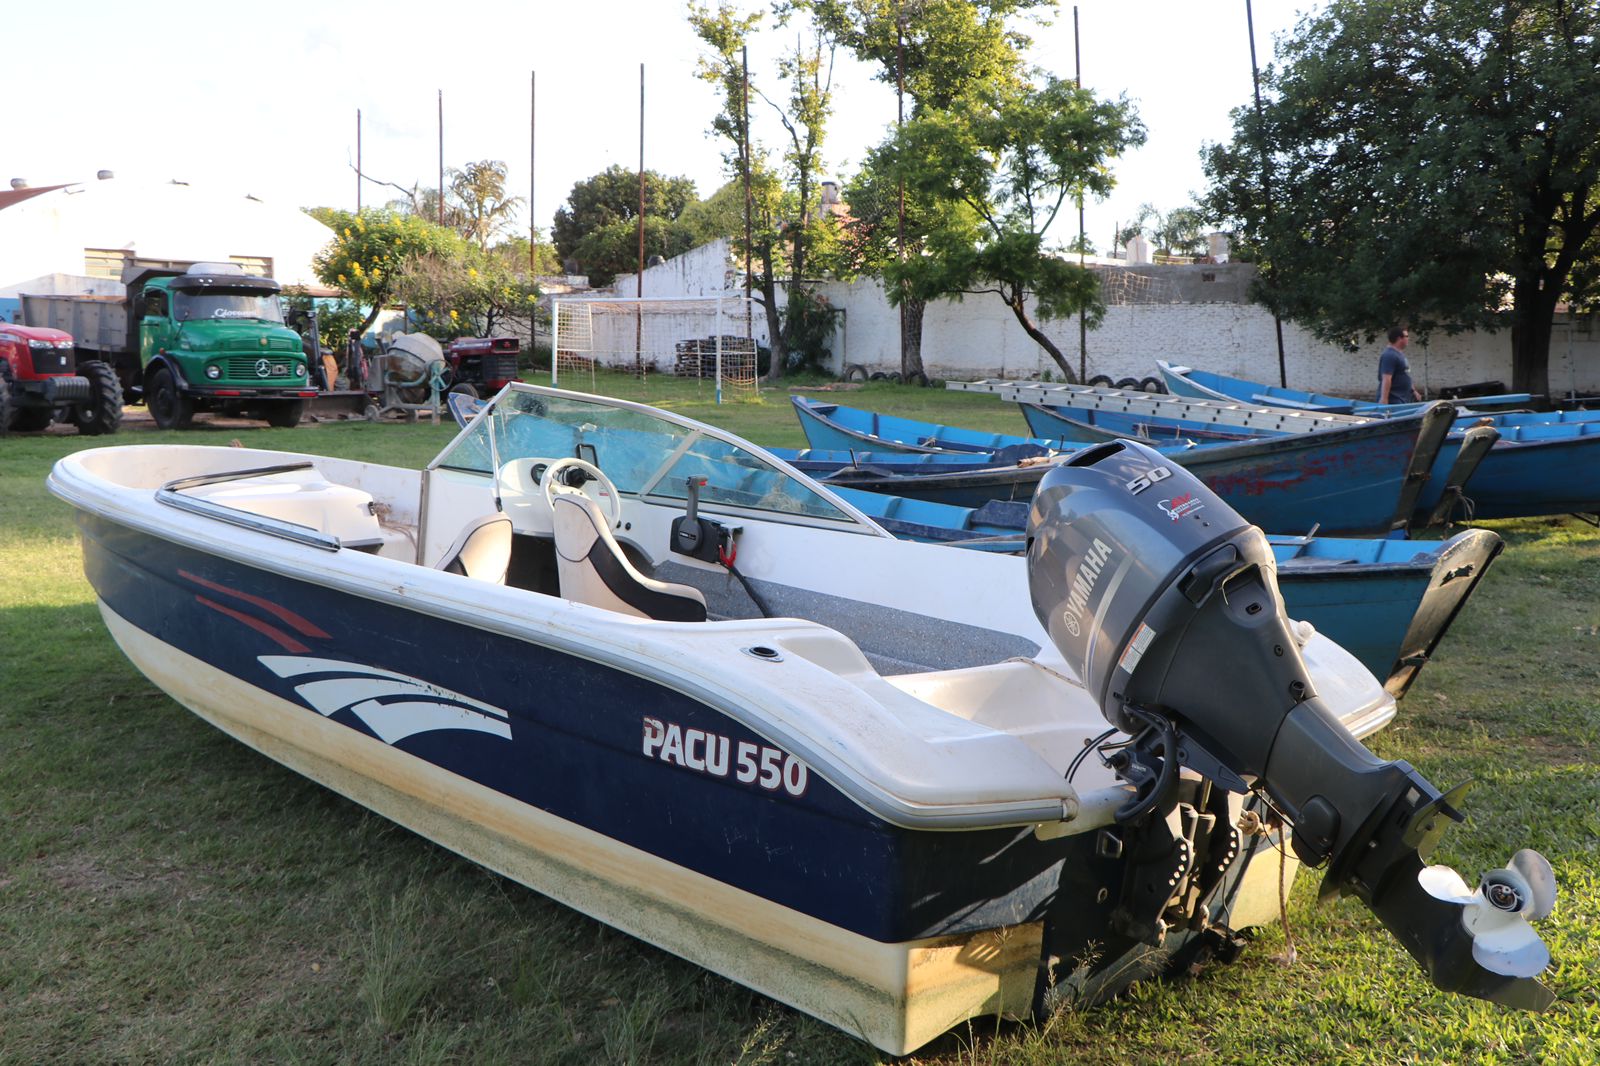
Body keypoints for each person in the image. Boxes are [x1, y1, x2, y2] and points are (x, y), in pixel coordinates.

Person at [1377, 326, 1421, 404]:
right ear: (1399, 338)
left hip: (1403, 398)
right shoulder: (1389, 355)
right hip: (1393, 399)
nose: (1408, 339)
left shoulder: (1399, 354)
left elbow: (1405, 374)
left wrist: (1414, 391)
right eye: (1406, 336)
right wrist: (1384, 399)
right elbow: (1386, 379)